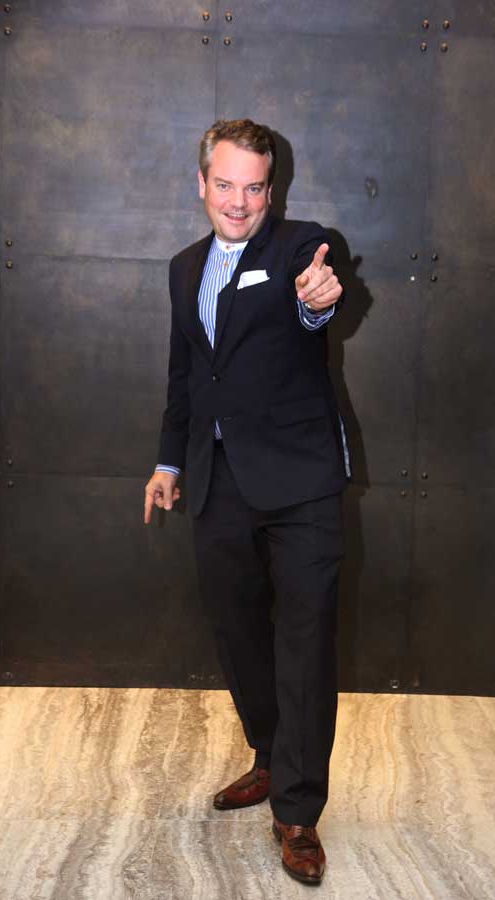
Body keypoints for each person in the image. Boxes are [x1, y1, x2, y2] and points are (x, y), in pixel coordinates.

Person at [144, 119, 349, 886]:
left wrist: (318, 302)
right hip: (217, 477)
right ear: (201, 183)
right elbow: (186, 374)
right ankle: (270, 753)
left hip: (301, 481)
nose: (238, 202)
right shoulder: (183, 268)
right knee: (237, 633)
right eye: (225, 184)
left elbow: (317, 302)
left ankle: (297, 812)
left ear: (272, 190)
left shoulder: (301, 249)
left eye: (254, 188)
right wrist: (168, 460)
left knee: (305, 640)